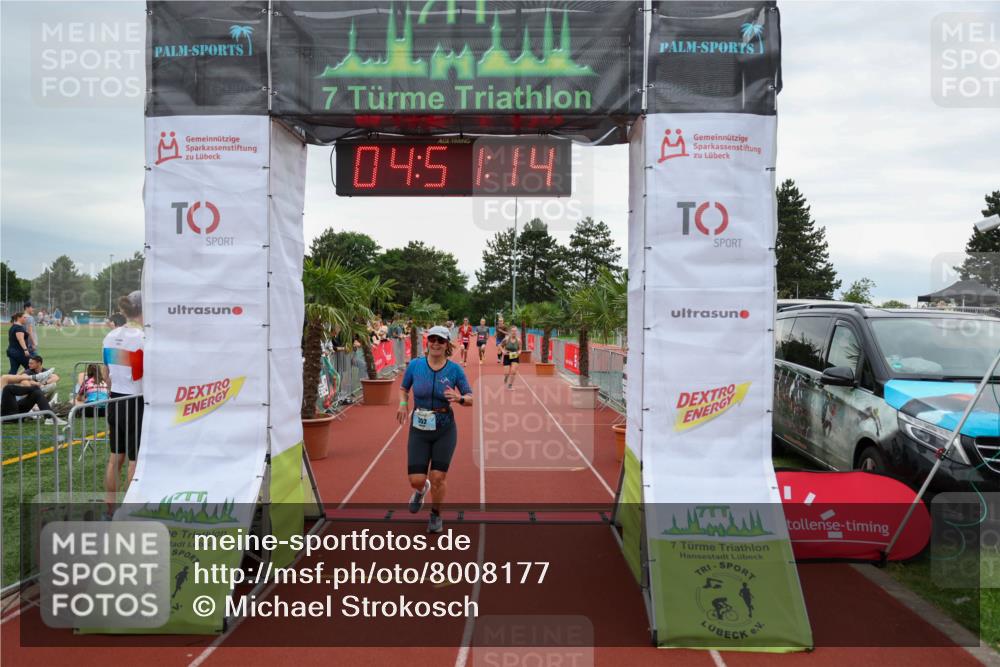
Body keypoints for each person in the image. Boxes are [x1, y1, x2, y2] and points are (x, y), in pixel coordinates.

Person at [396, 325, 473, 534]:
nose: (436, 344)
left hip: (444, 429)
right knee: (416, 480)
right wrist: (403, 404)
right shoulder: (415, 366)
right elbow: (404, 389)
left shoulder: (455, 370)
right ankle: (421, 491)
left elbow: (470, 398)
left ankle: (436, 514)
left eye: (441, 340)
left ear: (447, 344)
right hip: (419, 429)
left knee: (438, 477)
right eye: (433, 340)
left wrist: (460, 398)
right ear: (427, 342)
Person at [102, 291, 145, 510]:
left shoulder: (111, 336)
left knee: (114, 457)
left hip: (115, 399)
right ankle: (130, 511)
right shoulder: (143, 337)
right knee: (134, 460)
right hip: (135, 400)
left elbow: (106, 373)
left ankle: (110, 508)